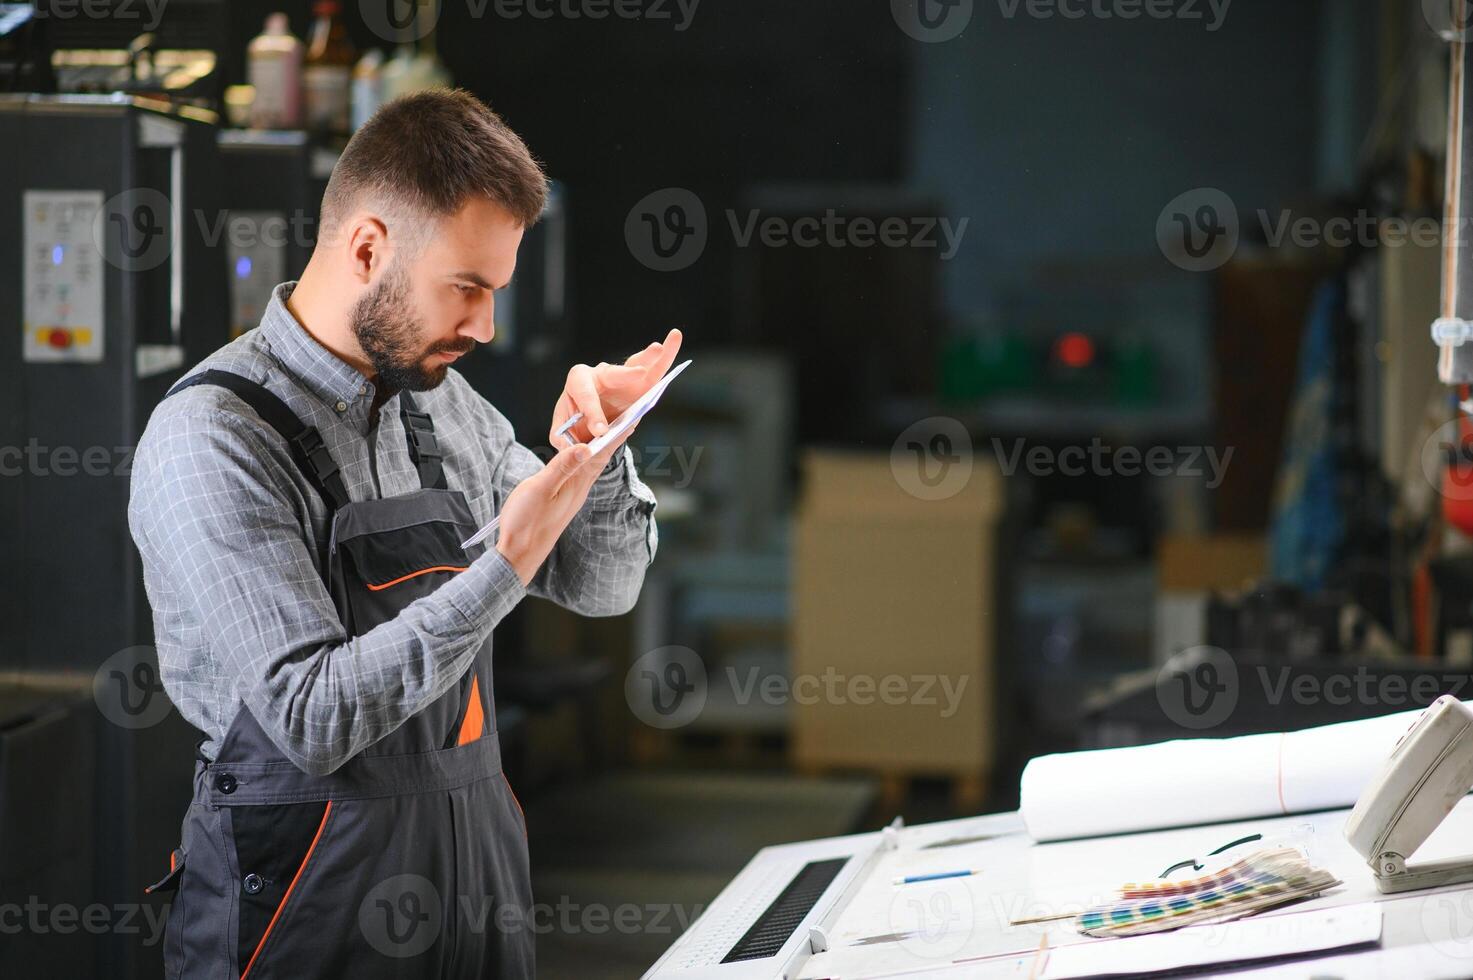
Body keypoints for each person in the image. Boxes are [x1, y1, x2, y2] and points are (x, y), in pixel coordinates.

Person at [127, 88, 681, 978]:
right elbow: (311, 717)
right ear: (368, 248)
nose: (484, 327)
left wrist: (600, 450)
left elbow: (599, 585)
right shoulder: (215, 437)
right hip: (304, 920)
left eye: (495, 291)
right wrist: (503, 564)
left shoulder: (439, 402)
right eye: (465, 288)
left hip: (474, 901)